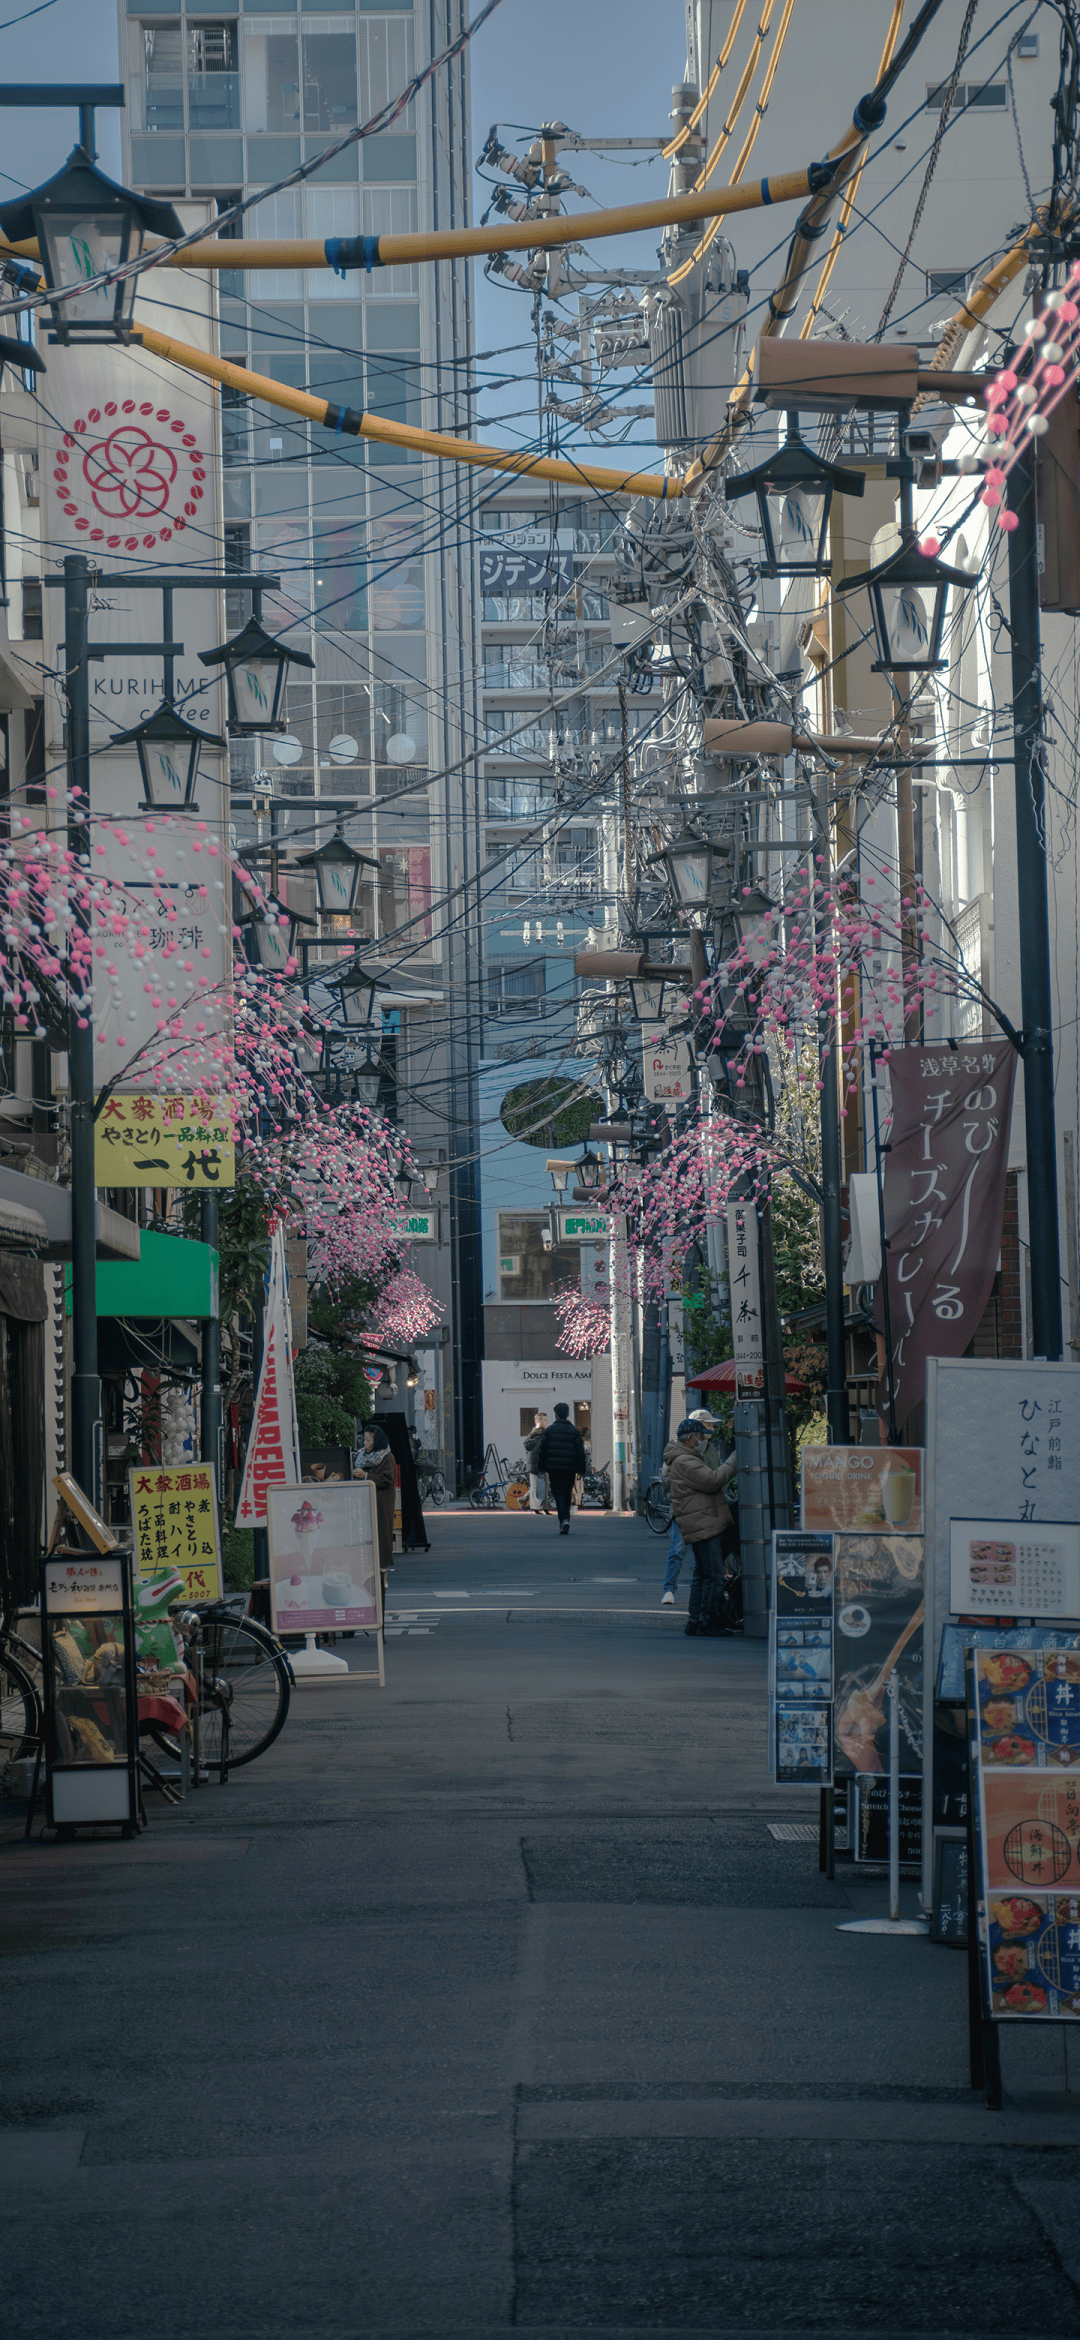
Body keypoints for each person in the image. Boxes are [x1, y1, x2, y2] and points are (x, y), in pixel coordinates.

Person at [667, 1416, 738, 1638]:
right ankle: (707, 1621)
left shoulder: (686, 1458)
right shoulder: (685, 1461)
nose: (703, 1440)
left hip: (701, 1521)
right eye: (700, 1436)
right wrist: (733, 1461)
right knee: (714, 1575)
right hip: (703, 1523)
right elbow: (712, 1480)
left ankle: (695, 1621)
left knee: (702, 1574)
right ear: (690, 1439)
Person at [357, 1423, 398, 1614]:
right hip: (362, 1505)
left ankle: (382, 1578)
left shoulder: (386, 1457)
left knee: (381, 1538)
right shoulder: (361, 1456)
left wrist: (366, 1475)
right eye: (364, 1439)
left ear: (377, 1440)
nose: (365, 1443)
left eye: (368, 1439)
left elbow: (388, 1480)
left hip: (381, 1505)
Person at [535, 1403, 588, 1534]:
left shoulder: (550, 1431)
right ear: (568, 1414)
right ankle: (566, 1519)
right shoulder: (574, 1431)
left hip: (554, 1469)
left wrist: (541, 1466)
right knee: (567, 1493)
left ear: (556, 1415)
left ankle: (563, 1520)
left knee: (558, 1494)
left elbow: (543, 1450)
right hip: (570, 1469)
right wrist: (581, 1468)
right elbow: (580, 1452)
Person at [523, 1410, 551, 1515]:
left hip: (533, 1463)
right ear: (539, 1421)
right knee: (543, 1485)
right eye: (544, 1420)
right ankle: (541, 1507)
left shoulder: (532, 1434)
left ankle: (537, 1506)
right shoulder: (543, 1434)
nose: (546, 1422)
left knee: (536, 1486)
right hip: (541, 1462)